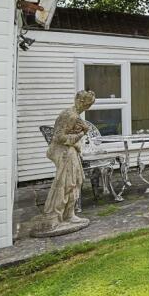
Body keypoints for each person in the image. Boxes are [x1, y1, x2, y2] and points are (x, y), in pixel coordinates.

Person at [32, 90, 95, 236]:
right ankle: (53, 217)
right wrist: (82, 133)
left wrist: (79, 134)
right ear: (81, 101)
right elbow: (59, 137)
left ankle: (69, 214)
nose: (89, 107)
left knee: (76, 181)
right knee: (65, 183)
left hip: (71, 151)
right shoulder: (70, 115)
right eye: (88, 104)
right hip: (64, 152)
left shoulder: (75, 115)